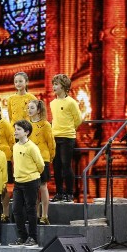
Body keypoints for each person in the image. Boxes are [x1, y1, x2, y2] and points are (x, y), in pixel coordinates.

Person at [9, 120, 45, 247]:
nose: (15, 131)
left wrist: (32, 175)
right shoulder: (15, 146)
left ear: (27, 132)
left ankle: (33, 238)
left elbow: (41, 165)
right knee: (16, 209)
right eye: (15, 129)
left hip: (31, 181)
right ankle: (22, 237)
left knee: (31, 210)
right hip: (18, 182)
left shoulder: (32, 147)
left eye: (18, 129)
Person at [49, 74, 82, 203]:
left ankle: (69, 193)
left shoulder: (71, 102)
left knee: (66, 165)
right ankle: (59, 193)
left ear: (63, 86)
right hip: (55, 137)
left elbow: (78, 120)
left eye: (56, 84)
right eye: (53, 84)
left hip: (67, 137)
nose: (53, 87)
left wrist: (69, 129)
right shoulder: (53, 103)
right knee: (56, 167)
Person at [28, 100, 55, 225]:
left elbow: (51, 144)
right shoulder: (26, 125)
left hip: (43, 159)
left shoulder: (46, 125)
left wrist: (50, 158)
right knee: (33, 188)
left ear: (38, 110)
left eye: (32, 108)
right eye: (28, 108)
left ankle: (45, 215)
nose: (29, 110)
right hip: (29, 160)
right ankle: (36, 215)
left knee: (43, 186)